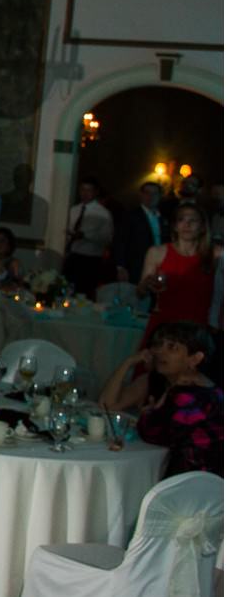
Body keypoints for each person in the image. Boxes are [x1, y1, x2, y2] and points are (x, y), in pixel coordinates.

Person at [99, 321, 221, 478]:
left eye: (172, 347)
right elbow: (106, 406)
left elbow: (151, 432)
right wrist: (128, 362)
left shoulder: (194, 396)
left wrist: (150, 414)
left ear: (195, 358)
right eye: (158, 345)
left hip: (197, 483)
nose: (160, 352)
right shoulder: (158, 381)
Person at [138, 201, 221, 339]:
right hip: (164, 325)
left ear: (202, 227)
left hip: (198, 327)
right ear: (175, 226)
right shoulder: (157, 252)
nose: (186, 225)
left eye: (193, 220)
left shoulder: (216, 254)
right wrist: (148, 284)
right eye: (181, 219)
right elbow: (140, 292)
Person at [60, 176, 114, 298]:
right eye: (82, 190)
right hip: (73, 256)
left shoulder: (103, 213)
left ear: (95, 192)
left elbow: (107, 238)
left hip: (91, 259)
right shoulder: (74, 210)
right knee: (67, 289)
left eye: (89, 190)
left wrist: (86, 235)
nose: (85, 194)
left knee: (85, 292)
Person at [114, 181, 168, 285]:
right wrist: (120, 267)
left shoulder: (163, 218)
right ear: (141, 195)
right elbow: (119, 241)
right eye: (147, 193)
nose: (150, 196)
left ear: (159, 196)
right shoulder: (130, 216)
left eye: (154, 193)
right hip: (136, 266)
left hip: (159, 266)